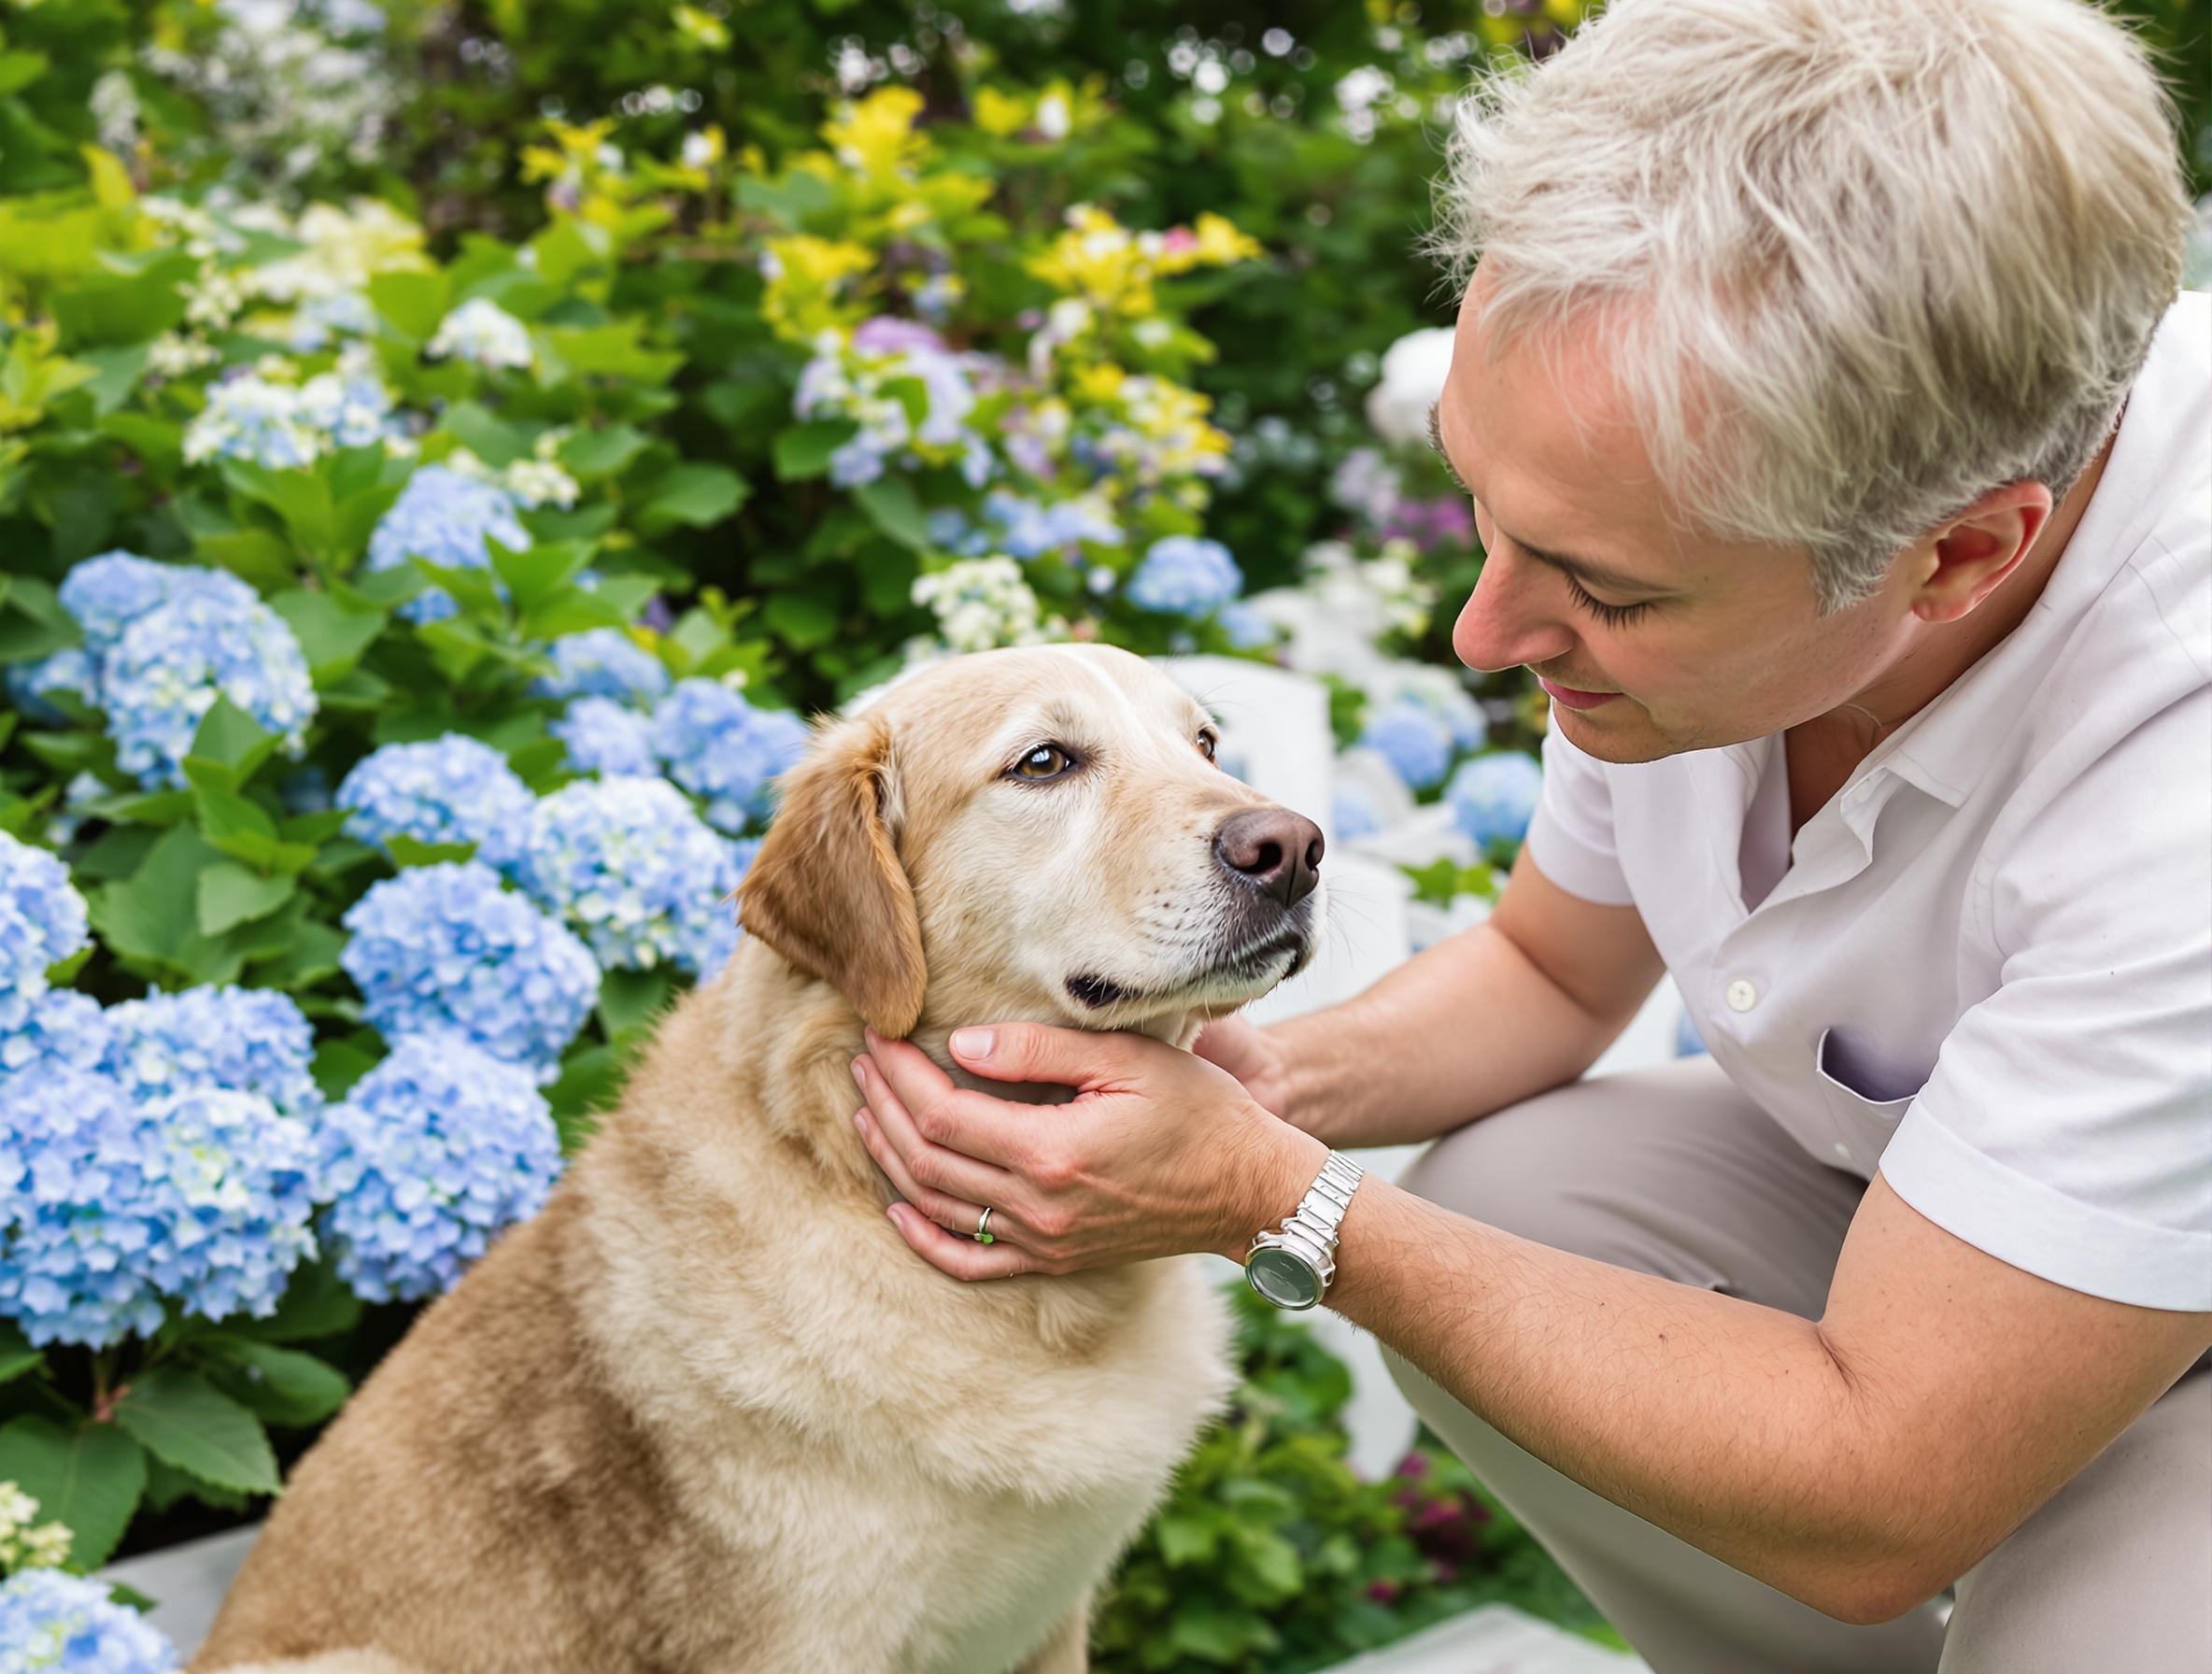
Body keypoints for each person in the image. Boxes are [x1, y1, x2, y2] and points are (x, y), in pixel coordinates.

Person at [847, 0, 2212, 1666]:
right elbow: (1552, 974)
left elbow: (1886, 1486)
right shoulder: (1724, 499)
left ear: (1953, 557)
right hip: (1943, 1227)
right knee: (1516, 1206)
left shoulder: (2178, 784)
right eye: (1482, 508)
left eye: (1605, 589)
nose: (1484, 633)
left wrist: (1276, 1203)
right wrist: (1242, 1093)